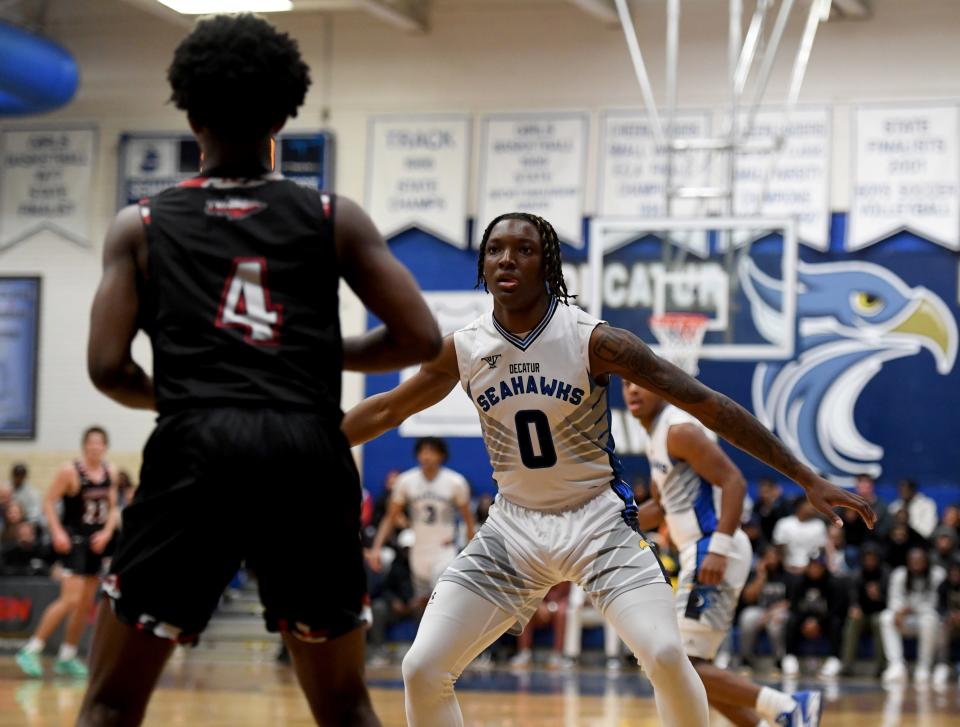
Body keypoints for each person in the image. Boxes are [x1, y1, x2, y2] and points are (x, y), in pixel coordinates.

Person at [341, 211, 874, 727]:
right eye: (495, 250)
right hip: (513, 528)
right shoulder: (465, 349)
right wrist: (305, 446)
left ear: (548, 266)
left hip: (597, 523)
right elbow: (388, 409)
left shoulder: (594, 340)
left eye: (524, 250)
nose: (507, 259)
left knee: (668, 655)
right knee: (422, 667)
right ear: (481, 267)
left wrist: (805, 476)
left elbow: (708, 404)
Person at [76, 14, 441, 727]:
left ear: (188, 111)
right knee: (343, 703)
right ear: (285, 113)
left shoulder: (141, 224)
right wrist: (298, 363)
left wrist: (187, 394)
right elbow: (419, 336)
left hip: (195, 445)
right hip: (306, 449)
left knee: (112, 703)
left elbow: (105, 366)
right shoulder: (333, 215)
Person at [624, 379, 816, 727]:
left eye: (640, 384)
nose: (633, 391)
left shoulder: (679, 430)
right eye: (625, 384)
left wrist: (718, 549)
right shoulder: (656, 439)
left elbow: (734, 482)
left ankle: (788, 706)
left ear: (660, 388)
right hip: (699, 550)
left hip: (711, 547)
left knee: (680, 664)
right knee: (690, 672)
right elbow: (662, 507)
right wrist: (613, 522)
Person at [16, 426, 119, 679]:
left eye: (100, 443)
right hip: (74, 542)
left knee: (85, 604)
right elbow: (49, 501)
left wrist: (107, 533)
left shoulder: (111, 471)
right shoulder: (70, 471)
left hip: (97, 543)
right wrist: (57, 532)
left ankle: (68, 655)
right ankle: (32, 648)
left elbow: (113, 507)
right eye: (91, 443)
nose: (95, 447)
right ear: (85, 446)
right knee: (70, 599)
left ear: (105, 447)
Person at [368, 437, 476, 602]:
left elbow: (468, 520)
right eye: (422, 451)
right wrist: (376, 548)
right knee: (422, 602)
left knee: (441, 599)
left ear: (441, 455)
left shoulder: (456, 482)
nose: (426, 456)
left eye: (431, 451)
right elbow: (390, 517)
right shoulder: (405, 481)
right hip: (418, 549)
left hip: (444, 550)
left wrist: (472, 550)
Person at [879, 547, 947, 684]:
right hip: (906, 621)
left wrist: (909, 609)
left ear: (926, 561)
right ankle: (896, 665)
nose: (916, 564)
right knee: (886, 617)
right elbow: (893, 600)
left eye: (919, 561)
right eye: (913, 561)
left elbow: (934, 604)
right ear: (908, 562)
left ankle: (924, 667)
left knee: (930, 619)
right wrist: (898, 611)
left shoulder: (937, 574)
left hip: (928, 621)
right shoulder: (899, 574)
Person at [781, 551, 847, 678]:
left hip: (824, 620)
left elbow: (836, 609)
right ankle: (789, 658)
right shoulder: (799, 583)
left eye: (819, 566)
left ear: (824, 567)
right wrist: (807, 622)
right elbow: (794, 607)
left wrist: (817, 623)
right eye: (813, 566)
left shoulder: (833, 583)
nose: (815, 569)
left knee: (836, 622)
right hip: (804, 620)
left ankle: (835, 660)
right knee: (791, 620)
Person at [737, 544, 796, 669]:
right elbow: (748, 598)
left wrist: (770, 614)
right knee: (747, 618)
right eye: (767, 557)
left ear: (780, 558)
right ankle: (746, 659)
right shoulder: (756, 575)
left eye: (773, 557)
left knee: (775, 624)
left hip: (779, 611)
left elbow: (791, 601)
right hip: (759, 611)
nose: (770, 560)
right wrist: (761, 576)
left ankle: (780, 660)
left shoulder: (788, 576)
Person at [840, 542, 887, 676]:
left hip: (879, 613)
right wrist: (854, 607)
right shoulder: (857, 575)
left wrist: (879, 597)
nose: (870, 561)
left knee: (879, 621)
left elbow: (890, 601)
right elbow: (852, 598)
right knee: (852, 621)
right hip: (862, 614)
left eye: (873, 558)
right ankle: (846, 666)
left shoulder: (885, 574)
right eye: (867, 558)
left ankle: (881, 667)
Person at [509, 582, 570, 669]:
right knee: (526, 609)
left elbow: (565, 594)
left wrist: (552, 605)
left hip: (559, 603)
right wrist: (539, 604)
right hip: (539, 602)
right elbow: (530, 590)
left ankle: (557, 655)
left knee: (562, 612)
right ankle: (524, 653)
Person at [773, 498, 829, 573]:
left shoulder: (819, 525)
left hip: (811, 570)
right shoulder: (784, 523)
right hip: (787, 568)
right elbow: (779, 549)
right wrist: (785, 567)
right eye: (810, 504)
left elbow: (821, 549)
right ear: (800, 506)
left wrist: (809, 568)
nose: (814, 507)